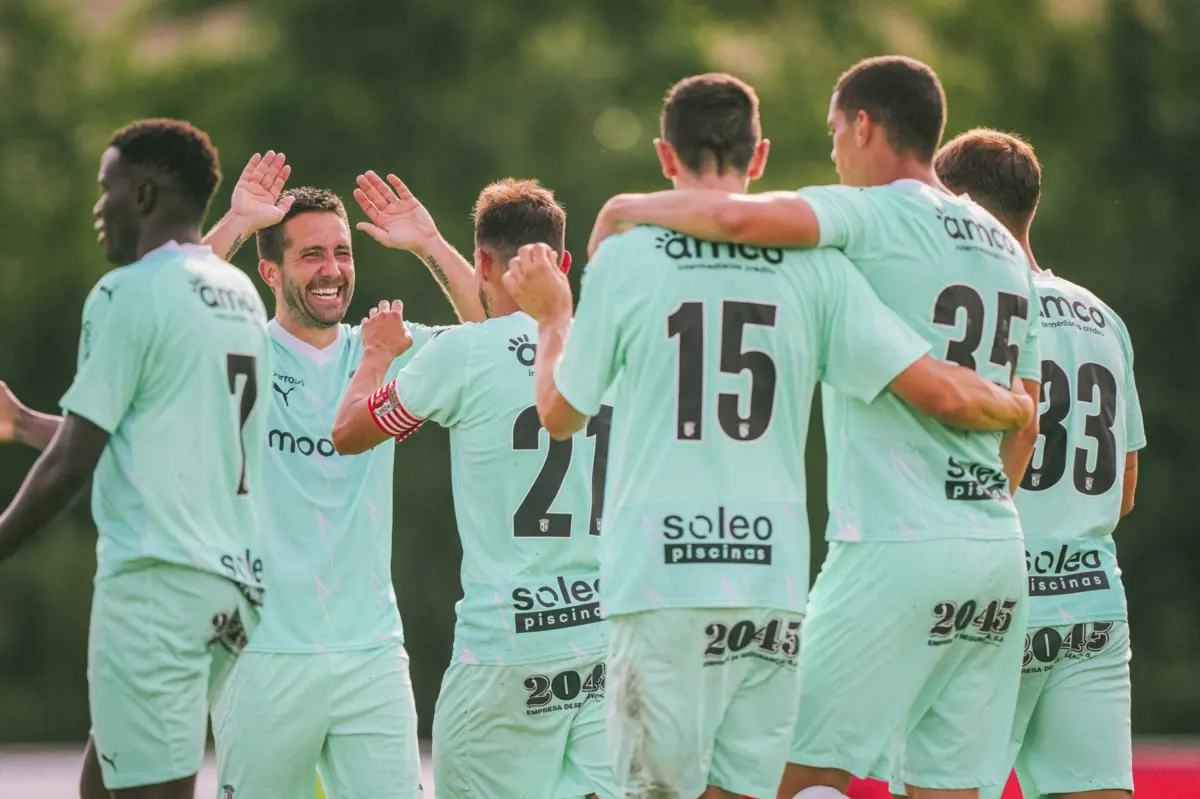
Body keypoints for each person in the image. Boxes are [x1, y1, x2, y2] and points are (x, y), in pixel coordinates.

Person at [505, 73, 1036, 799]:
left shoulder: (632, 256)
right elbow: (935, 385)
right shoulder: (820, 269)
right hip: (775, 583)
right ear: (759, 158)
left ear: (666, 156)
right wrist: (1014, 406)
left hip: (669, 578)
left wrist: (550, 318)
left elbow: (561, 415)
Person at [0, 119, 272, 799]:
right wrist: (26, 422)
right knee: (110, 772)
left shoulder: (125, 293)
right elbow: (156, 439)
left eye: (107, 187)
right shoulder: (240, 293)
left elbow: (71, 465)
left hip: (156, 590)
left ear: (144, 194)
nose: (99, 206)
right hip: (234, 592)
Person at [199, 162, 483, 798]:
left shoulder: (381, 345)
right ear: (270, 272)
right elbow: (163, 306)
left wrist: (430, 245)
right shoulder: (237, 348)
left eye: (342, 253)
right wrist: (241, 221)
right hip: (261, 655)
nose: (332, 269)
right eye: (311, 255)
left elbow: (494, 333)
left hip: (372, 654)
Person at [331, 179, 614, 799]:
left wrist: (375, 358)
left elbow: (349, 434)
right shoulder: (607, 347)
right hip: (602, 644)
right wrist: (430, 243)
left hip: (504, 653)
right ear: (563, 266)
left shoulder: (460, 355)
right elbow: (513, 335)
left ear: (483, 259)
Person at [928, 128, 1144, 799]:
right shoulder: (1102, 317)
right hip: (1093, 607)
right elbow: (1124, 489)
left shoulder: (973, 314)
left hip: (992, 602)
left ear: (961, 206)